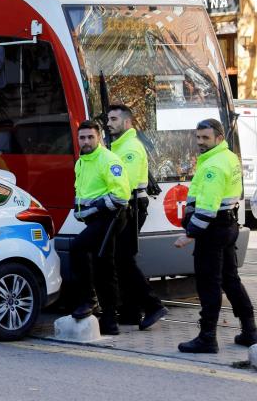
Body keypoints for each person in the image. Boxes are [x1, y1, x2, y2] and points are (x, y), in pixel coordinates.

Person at [175, 118, 256, 353]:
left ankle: (207, 338)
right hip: (228, 224)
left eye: (205, 138)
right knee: (231, 280)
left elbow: (207, 209)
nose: (200, 142)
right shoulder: (227, 157)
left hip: (213, 229)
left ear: (218, 138)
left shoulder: (213, 166)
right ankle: (250, 331)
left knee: (209, 284)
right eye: (198, 137)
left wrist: (189, 234)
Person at [107, 105, 168, 330]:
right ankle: (131, 312)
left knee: (124, 259)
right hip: (127, 206)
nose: (109, 123)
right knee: (122, 259)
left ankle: (153, 305)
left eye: (114, 119)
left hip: (130, 206)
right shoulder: (119, 146)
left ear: (127, 123)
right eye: (108, 119)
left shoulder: (130, 148)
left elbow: (127, 183)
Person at [70, 120, 130, 335]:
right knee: (103, 265)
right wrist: (79, 210)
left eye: (90, 137)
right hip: (96, 220)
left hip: (110, 217)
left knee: (78, 248)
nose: (86, 142)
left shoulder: (108, 160)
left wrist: (92, 209)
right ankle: (110, 320)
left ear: (99, 138)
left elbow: (121, 195)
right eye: (82, 138)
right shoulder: (82, 162)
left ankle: (89, 301)